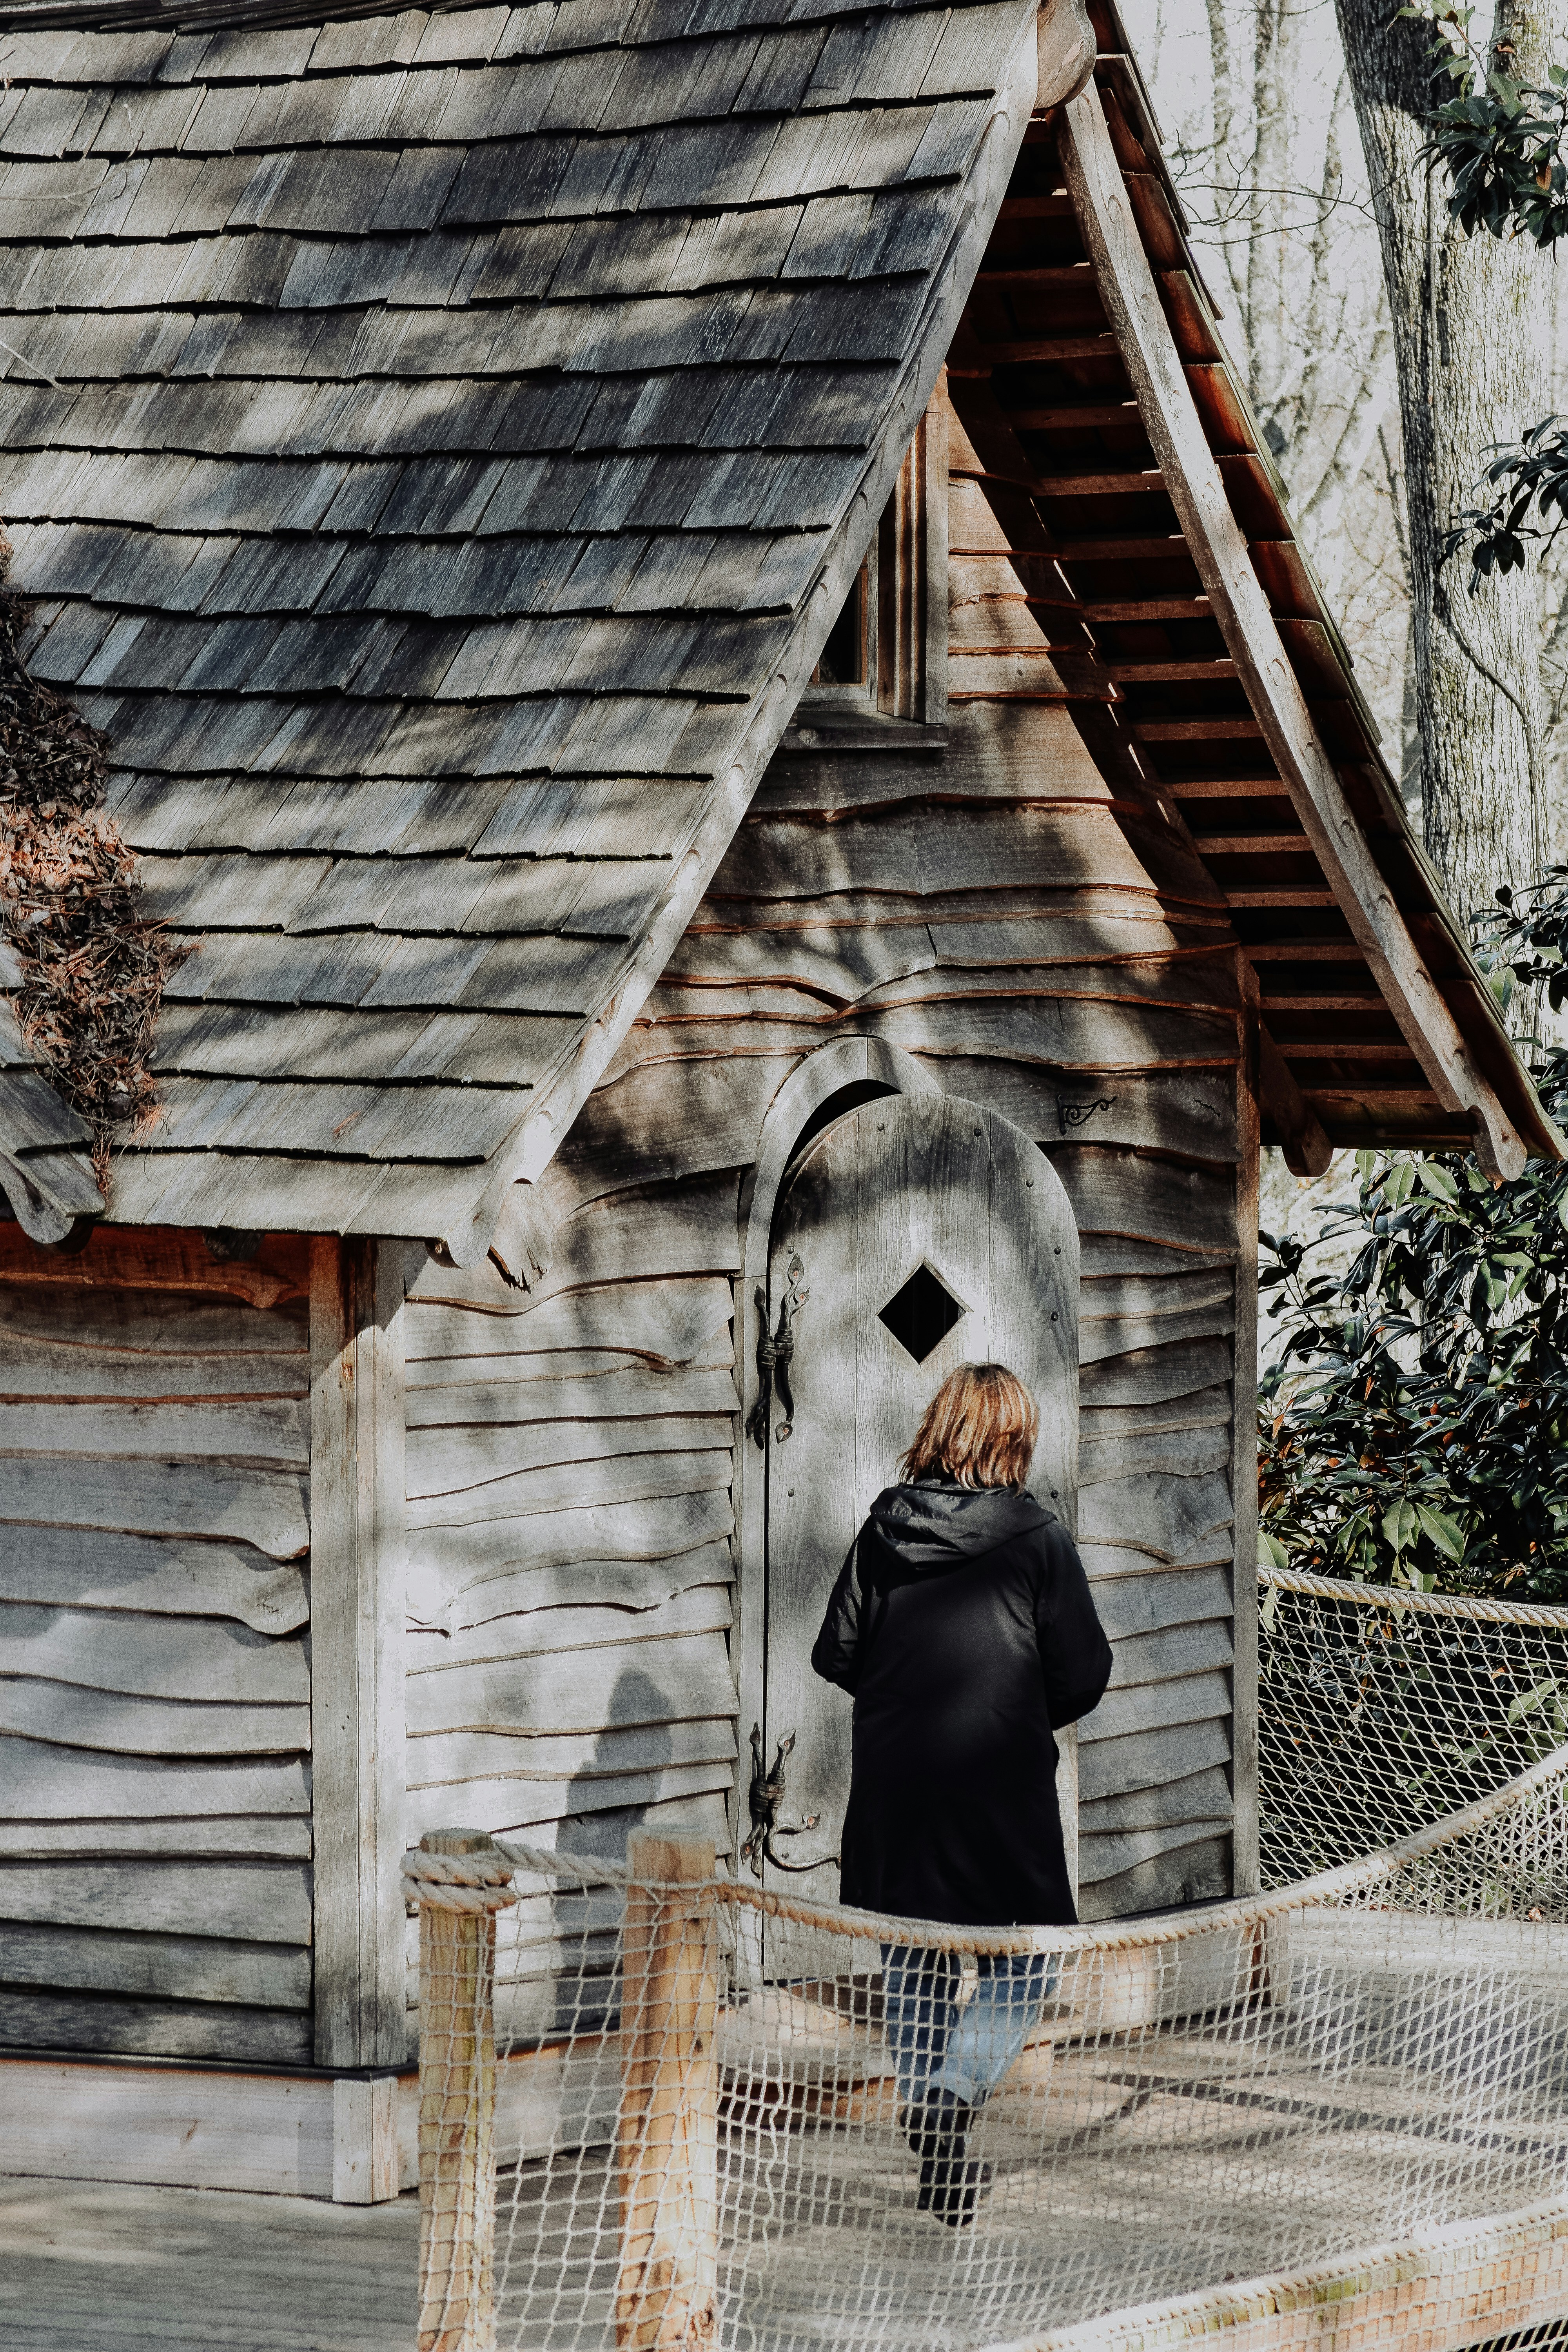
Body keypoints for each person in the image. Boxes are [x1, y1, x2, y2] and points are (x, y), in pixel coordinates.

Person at [811, 1361, 1112, 2226]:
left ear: (939, 1430)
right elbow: (1083, 1675)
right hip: (998, 1783)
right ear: (1013, 1441)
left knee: (914, 1955)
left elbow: (838, 1654)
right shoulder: (1039, 1541)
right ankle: (951, 2090)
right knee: (1036, 1950)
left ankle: (930, 2119)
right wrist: (1012, 1708)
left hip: (895, 1783)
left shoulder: (883, 1530)